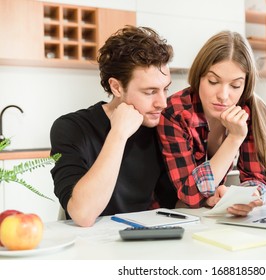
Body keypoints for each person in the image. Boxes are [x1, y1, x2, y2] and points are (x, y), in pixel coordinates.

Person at [50, 26, 176, 227]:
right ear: (117, 87)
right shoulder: (72, 128)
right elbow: (82, 214)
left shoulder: (161, 127)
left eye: (165, 89)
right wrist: (118, 133)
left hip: (144, 240)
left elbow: (173, 204)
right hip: (88, 246)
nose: (163, 103)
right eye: (150, 92)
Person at [157, 30, 266, 216]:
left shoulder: (250, 110)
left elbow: (258, 180)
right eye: (213, 81)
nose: (223, 95)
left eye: (235, 85)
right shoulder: (175, 112)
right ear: (199, 77)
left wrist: (249, 197)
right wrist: (235, 138)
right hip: (168, 214)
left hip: (210, 215)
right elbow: (191, 195)